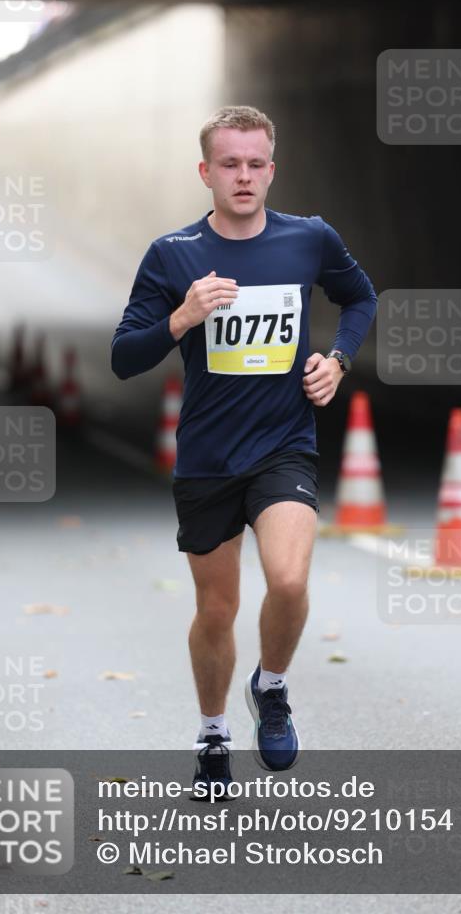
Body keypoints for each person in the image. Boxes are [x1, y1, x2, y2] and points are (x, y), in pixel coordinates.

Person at [111, 105, 377, 797]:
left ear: (272, 170)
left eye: (256, 163)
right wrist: (182, 316)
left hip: (284, 445)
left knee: (288, 580)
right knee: (217, 609)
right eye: (229, 163)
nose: (243, 176)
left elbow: (360, 298)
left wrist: (338, 360)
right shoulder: (173, 254)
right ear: (205, 171)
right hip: (206, 457)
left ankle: (273, 687)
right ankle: (212, 736)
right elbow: (123, 357)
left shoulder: (308, 239)